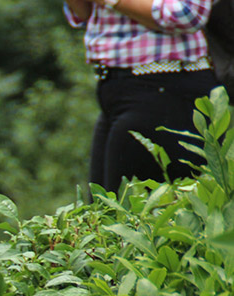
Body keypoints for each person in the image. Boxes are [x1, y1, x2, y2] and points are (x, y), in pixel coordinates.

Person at [63, 0, 221, 193]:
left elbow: (188, 13)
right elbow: (86, 15)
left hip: (166, 85)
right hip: (116, 87)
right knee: (102, 204)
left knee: (129, 204)